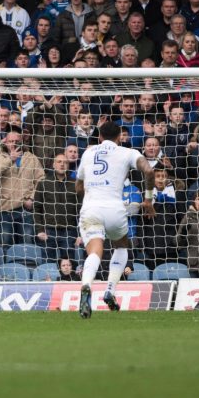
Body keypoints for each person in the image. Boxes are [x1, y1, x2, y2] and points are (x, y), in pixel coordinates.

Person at [74, 120, 155, 318]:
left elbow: (78, 186)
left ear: (99, 137)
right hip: (115, 210)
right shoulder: (127, 152)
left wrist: (89, 199)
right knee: (121, 246)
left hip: (92, 209)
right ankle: (110, 289)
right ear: (120, 137)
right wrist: (148, 200)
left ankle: (86, 286)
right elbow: (150, 171)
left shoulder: (88, 153)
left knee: (94, 251)